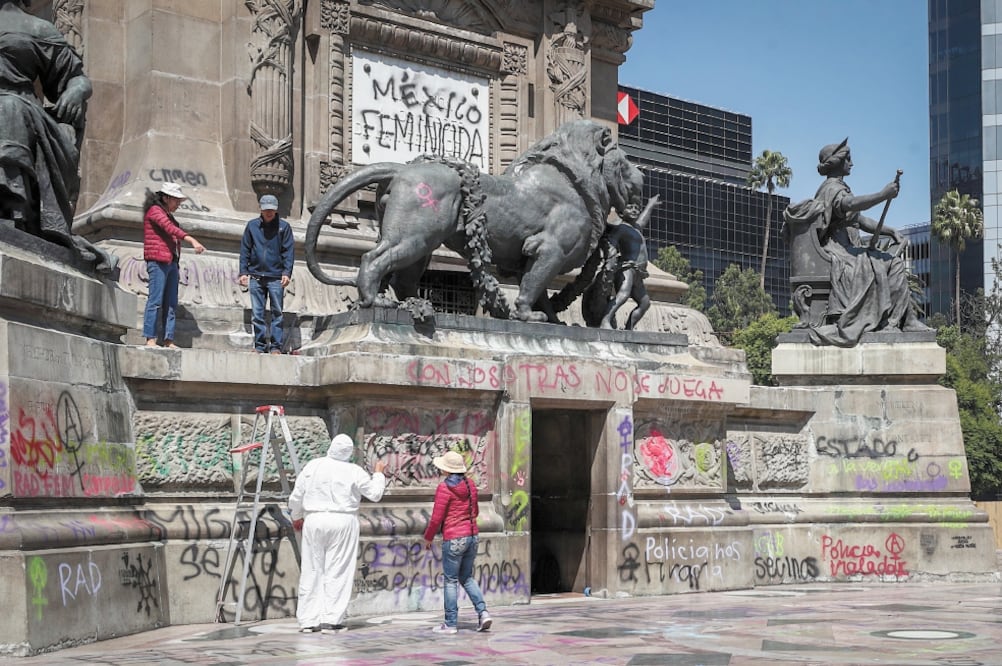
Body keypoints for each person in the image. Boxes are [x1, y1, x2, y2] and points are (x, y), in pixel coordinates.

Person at [0, 0, 115, 271]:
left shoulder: (38, 29)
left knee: (7, 108)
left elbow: (76, 78)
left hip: (16, 105)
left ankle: (10, 209)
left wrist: (75, 92)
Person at [783, 138, 929, 346]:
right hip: (839, 251)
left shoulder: (839, 187)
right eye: (848, 159)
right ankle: (898, 321)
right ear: (838, 162)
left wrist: (890, 231)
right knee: (893, 264)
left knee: (889, 263)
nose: (852, 163)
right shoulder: (832, 189)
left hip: (849, 248)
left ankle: (901, 320)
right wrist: (882, 195)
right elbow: (849, 204)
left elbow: (858, 219)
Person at [288, 433, 386, 633]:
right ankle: (331, 619)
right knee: (338, 570)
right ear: (349, 452)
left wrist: (296, 516)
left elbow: (297, 495)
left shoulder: (313, 466)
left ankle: (308, 620)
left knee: (312, 569)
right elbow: (374, 494)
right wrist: (378, 473)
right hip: (342, 520)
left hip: (314, 518)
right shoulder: (354, 470)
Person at [423, 450, 492, 634]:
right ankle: (483, 612)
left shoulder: (444, 488)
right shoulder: (470, 485)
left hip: (454, 538)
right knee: (467, 577)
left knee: (451, 580)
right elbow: (475, 511)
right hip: (472, 536)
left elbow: (436, 518)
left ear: (446, 470)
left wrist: (428, 537)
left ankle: (451, 623)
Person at [141, 183, 206, 348]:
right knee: (155, 301)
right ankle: (150, 338)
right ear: (165, 198)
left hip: (171, 263)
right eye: (176, 200)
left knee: (170, 303)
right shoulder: (155, 211)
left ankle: (168, 339)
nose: (178, 203)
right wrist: (191, 239)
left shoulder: (169, 215)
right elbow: (168, 229)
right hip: (158, 261)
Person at [239, 194, 295, 354]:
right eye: (266, 210)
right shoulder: (252, 226)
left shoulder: (284, 227)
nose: (269, 213)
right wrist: (243, 271)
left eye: (271, 210)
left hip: (276, 276)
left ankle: (276, 346)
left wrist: (287, 272)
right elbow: (245, 250)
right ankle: (260, 346)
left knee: (277, 313)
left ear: (276, 210)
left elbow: (288, 251)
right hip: (256, 275)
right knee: (257, 314)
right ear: (261, 209)